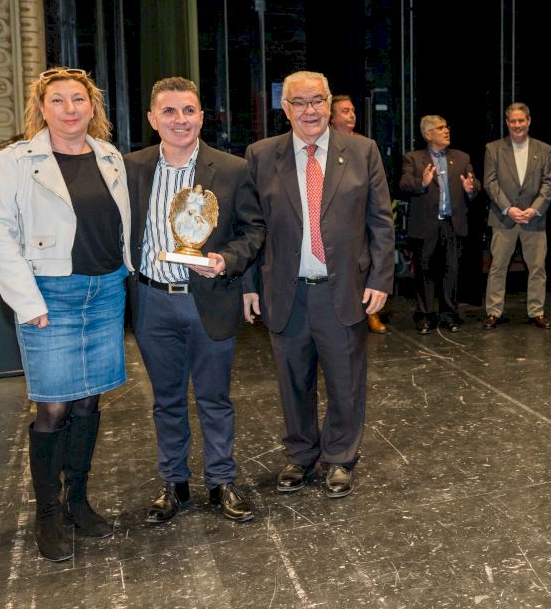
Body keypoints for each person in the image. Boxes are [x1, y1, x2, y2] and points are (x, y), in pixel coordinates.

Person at [0, 67, 131, 562]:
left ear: (93, 106)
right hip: (50, 295)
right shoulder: (16, 159)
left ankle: (78, 502)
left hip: (105, 291)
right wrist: (28, 302)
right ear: (42, 109)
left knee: (88, 401)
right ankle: (47, 514)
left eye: (79, 99)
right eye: (59, 100)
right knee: (53, 408)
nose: (70, 109)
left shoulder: (108, 155)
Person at [243, 71, 394, 498]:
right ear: (285, 108)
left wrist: (381, 278)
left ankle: (341, 457)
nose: (309, 110)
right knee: (293, 382)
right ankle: (300, 455)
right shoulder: (261, 155)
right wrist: (248, 286)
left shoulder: (362, 152)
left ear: (329, 104)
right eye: (299, 102)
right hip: (285, 292)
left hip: (342, 290)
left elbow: (381, 222)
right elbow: (250, 228)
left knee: (346, 382)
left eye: (317, 101)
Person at [125, 78, 266, 525]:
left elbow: (254, 230)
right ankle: (174, 484)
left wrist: (227, 260)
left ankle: (222, 480)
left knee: (214, 398)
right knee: (166, 400)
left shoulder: (232, 169)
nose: (180, 120)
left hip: (209, 299)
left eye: (188, 110)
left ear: (202, 117)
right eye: (169, 111)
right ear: (152, 119)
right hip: (152, 301)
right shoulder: (129, 168)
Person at [400, 114, 481, 334]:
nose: (446, 131)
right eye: (440, 128)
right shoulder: (413, 158)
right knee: (424, 271)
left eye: (446, 127)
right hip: (426, 225)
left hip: (452, 224)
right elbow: (404, 184)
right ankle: (425, 316)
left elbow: (475, 185)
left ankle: (449, 315)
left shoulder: (461, 158)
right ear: (428, 134)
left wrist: (471, 189)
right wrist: (422, 182)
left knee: (451, 271)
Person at [483, 102, 551, 329]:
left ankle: (536, 311)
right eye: (512, 121)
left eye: (521, 120)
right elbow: (490, 183)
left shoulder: (544, 149)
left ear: (529, 121)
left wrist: (535, 209)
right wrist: (508, 208)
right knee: (498, 267)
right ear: (507, 123)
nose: (517, 125)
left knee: (537, 268)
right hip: (504, 217)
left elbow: (548, 183)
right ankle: (494, 312)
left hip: (534, 218)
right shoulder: (493, 149)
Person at [329, 94, 389, 335]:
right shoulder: (323, 147)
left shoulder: (365, 146)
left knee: (364, 265)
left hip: (362, 219)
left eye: (353, 110)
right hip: (335, 225)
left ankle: (371, 312)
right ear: (331, 117)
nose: (351, 115)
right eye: (345, 111)